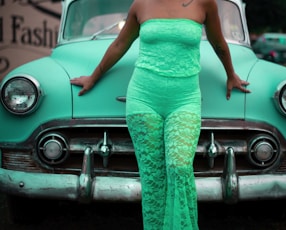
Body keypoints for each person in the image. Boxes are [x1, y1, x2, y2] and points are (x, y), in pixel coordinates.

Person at [70, 0, 250, 229]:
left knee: (179, 165)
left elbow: (219, 43)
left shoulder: (205, 3)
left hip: (184, 100)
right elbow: (120, 44)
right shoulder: (141, 4)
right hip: (143, 100)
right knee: (153, 179)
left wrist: (231, 74)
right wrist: (93, 77)